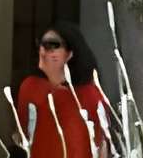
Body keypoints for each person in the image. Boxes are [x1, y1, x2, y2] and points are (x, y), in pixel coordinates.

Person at [18, 27, 114, 158]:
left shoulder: (91, 94)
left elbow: (102, 143)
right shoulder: (31, 87)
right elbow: (22, 134)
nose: (42, 50)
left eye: (51, 45)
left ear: (69, 53)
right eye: (40, 44)